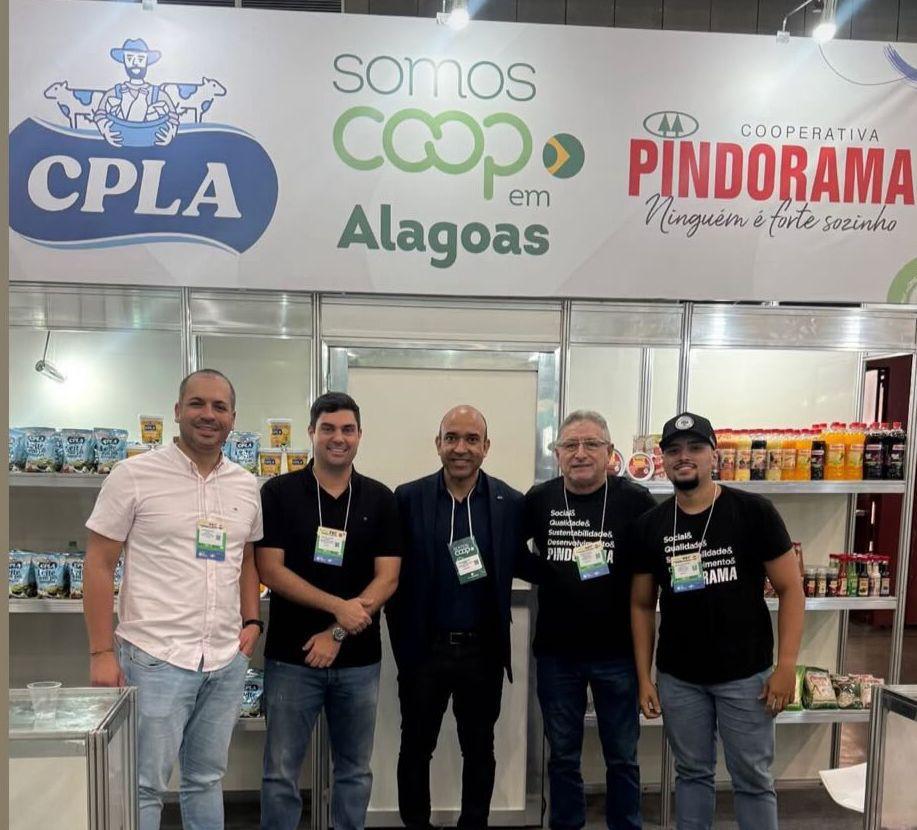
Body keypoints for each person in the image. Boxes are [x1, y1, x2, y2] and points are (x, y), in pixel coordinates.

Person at [83, 369, 264, 830]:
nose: (209, 415)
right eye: (198, 403)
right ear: (178, 410)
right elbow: (98, 563)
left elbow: (246, 558)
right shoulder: (133, 476)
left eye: (220, 407)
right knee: (145, 784)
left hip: (224, 659)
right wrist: (101, 652)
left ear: (233, 418)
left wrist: (251, 621)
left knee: (206, 778)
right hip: (155, 657)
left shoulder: (246, 484)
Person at [630, 412, 805, 830]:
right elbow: (641, 605)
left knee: (753, 779)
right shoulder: (651, 525)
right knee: (691, 774)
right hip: (679, 678)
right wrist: (644, 678)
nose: (684, 457)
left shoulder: (753, 511)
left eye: (695, 448)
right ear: (663, 460)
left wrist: (786, 667)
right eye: (674, 450)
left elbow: (792, 589)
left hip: (747, 677)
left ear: (714, 456)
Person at [256, 392, 402, 830]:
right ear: (311, 433)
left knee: (354, 772)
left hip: (359, 662)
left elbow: (388, 578)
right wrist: (339, 607)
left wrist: (336, 632)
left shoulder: (380, 498)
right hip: (290, 657)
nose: (339, 438)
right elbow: (270, 569)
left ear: (359, 435)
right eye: (328, 429)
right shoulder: (279, 492)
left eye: (347, 430)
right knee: (280, 774)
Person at [387, 405, 536, 830]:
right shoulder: (407, 499)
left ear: (486, 447)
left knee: (480, 748)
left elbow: (522, 561)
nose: (460, 448)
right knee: (416, 748)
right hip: (424, 651)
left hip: (482, 651)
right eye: (451, 438)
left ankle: (474, 823)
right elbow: (389, 568)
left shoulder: (510, 502)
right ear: (438, 444)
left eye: (472, 439)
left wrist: (583, 573)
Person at [525, 410, 656, 830]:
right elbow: (510, 550)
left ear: (610, 452)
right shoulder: (540, 498)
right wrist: (549, 572)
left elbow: (652, 565)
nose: (580, 453)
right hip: (556, 654)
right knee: (563, 756)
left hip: (618, 653)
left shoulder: (635, 501)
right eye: (570, 445)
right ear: (557, 453)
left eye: (591, 444)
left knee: (623, 757)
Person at [94, 38, 179, 146]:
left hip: (153, 144)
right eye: (130, 58)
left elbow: (174, 117)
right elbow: (100, 114)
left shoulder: (158, 94)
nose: (135, 63)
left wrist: (171, 133)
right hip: (119, 142)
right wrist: (104, 130)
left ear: (147, 61)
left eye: (140, 58)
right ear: (124, 61)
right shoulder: (115, 93)